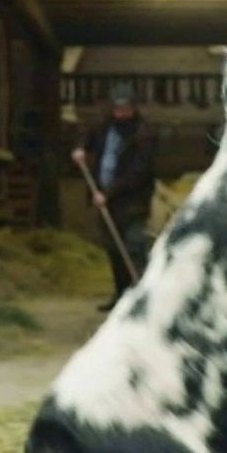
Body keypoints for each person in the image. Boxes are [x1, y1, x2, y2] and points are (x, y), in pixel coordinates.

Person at [72, 83, 156, 310]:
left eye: (125, 109)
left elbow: (137, 174)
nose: (121, 113)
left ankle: (144, 297)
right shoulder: (104, 125)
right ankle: (120, 295)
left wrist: (107, 193)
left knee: (134, 246)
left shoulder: (143, 134)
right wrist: (81, 148)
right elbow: (86, 134)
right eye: (117, 109)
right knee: (113, 249)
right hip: (106, 199)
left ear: (133, 108)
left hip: (132, 201)